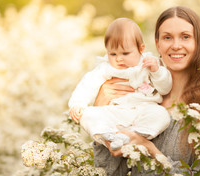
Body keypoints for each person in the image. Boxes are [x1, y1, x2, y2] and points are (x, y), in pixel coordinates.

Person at [93, 6, 200, 175]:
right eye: (167, 38)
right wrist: (100, 112)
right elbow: (109, 171)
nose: (176, 45)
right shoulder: (138, 96)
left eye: (185, 37)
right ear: (158, 44)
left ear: (198, 43)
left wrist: (150, 150)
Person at [68, 18, 172, 150]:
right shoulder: (105, 68)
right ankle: (109, 136)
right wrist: (77, 104)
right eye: (113, 53)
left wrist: (157, 71)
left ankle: (135, 135)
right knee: (87, 115)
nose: (119, 58)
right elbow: (87, 84)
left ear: (141, 49)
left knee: (161, 114)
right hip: (115, 112)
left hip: (143, 109)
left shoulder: (148, 63)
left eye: (125, 53)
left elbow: (165, 88)